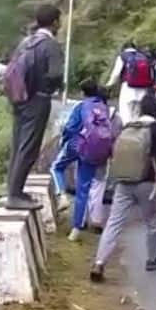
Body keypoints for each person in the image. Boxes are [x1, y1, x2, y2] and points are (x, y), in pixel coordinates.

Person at [90, 93, 156, 281]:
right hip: (147, 183)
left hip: (123, 182)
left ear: (140, 109)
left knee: (114, 223)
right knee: (151, 221)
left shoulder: (128, 127)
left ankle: (99, 262)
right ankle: (151, 260)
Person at [3, 4, 64, 210]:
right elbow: (56, 74)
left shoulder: (26, 42)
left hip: (19, 98)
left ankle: (12, 189)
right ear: (55, 22)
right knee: (29, 147)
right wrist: (54, 86)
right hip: (38, 100)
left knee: (18, 143)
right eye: (59, 21)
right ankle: (15, 195)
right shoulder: (50, 45)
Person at [51, 79, 119, 241]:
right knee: (83, 189)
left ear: (83, 93)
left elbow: (70, 128)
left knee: (56, 167)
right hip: (94, 151)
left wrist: (63, 142)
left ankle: (62, 195)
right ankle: (76, 229)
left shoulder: (81, 106)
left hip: (77, 145)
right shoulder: (103, 108)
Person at [106, 41, 155, 125]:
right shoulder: (143, 57)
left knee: (125, 111)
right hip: (142, 89)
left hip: (128, 88)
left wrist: (108, 85)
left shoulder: (123, 56)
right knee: (137, 113)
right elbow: (151, 74)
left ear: (124, 48)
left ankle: (127, 130)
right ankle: (136, 131)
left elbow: (116, 74)